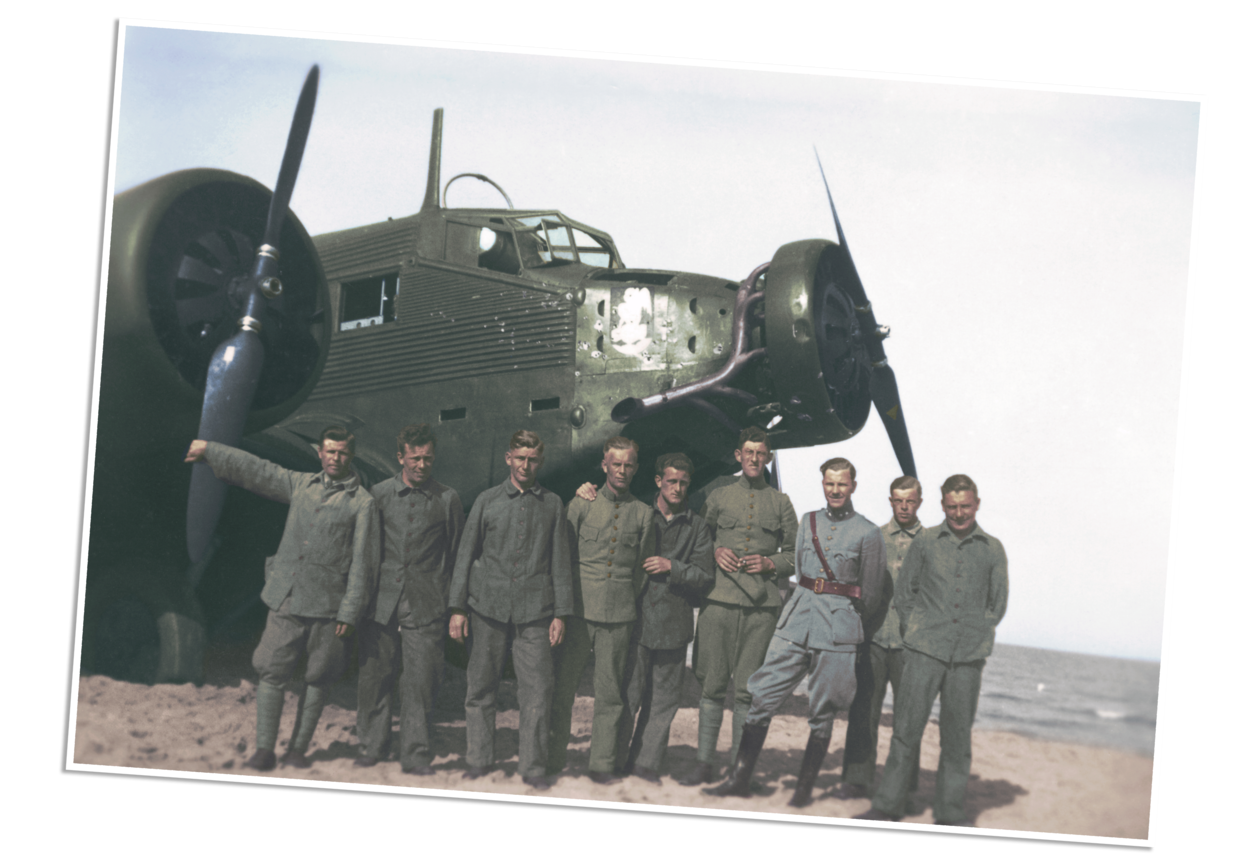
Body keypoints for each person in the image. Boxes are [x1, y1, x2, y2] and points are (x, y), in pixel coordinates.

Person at [184, 428, 379, 771]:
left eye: (342, 453)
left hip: (330, 608)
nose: (335, 459)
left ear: (350, 456)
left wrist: (349, 612)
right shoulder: (301, 484)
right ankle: (264, 750)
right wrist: (211, 450)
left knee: (319, 676)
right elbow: (259, 471)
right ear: (320, 453)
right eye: (330, 451)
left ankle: (298, 749)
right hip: (287, 596)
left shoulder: (362, 503)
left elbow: (364, 562)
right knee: (271, 669)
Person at [707, 457, 885, 807]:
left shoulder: (868, 532)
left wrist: (846, 622)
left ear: (853, 486)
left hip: (837, 632)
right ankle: (739, 778)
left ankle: (803, 789)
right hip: (797, 621)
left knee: (823, 710)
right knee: (762, 694)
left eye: (842, 484)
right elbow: (802, 571)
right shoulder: (809, 521)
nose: (835, 490)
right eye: (829, 483)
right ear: (823, 484)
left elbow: (873, 593)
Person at [857, 475, 1009, 827]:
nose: (959, 513)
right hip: (923, 652)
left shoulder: (992, 548)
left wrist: (974, 635)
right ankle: (888, 805)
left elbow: (997, 604)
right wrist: (916, 632)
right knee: (906, 732)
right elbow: (905, 592)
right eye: (952, 507)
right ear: (942, 506)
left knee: (957, 739)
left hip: (967, 659)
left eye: (966, 506)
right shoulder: (925, 541)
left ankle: (950, 812)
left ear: (977, 504)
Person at [575, 453, 716, 784]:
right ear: (658, 481)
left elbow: (705, 575)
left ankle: (645, 765)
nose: (677, 488)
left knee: (663, 701)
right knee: (627, 694)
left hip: (674, 623)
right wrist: (584, 491)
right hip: (635, 619)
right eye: (671, 481)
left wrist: (672, 567)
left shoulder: (696, 526)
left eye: (683, 483)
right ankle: (612, 760)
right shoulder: (638, 512)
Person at [448, 431, 573, 790]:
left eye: (532, 459)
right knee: (480, 687)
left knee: (538, 691)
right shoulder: (486, 501)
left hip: (535, 613)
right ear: (508, 458)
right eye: (520, 458)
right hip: (487, 608)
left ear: (540, 462)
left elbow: (560, 562)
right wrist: (457, 607)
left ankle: (533, 766)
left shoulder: (553, 504)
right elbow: (465, 556)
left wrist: (561, 613)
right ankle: (478, 759)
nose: (525, 465)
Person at [679, 426, 797, 786]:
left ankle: (738, 770)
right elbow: (699, 538)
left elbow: (796, 555)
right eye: (748, 452)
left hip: (761, 609)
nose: (754, 459)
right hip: (719, 602)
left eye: (760, 453)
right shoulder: (719, 496)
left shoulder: (781, 503)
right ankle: (703, 763)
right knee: (712, 686)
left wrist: (771, 563)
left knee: (748, 691)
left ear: (768, 458)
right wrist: (715, 551)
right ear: (738, 456)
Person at [355, 424, 464, 774]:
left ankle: (415, 752)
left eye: (427, 458)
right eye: (415, 458)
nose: (421, 465)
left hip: (427, 602)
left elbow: (457, 555)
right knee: (375, 675)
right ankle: (372, 745)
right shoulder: (379, 494)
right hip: (382, 602)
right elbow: (366, 550)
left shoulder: (447, 499)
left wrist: (455, 605)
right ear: (400, 457)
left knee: (421, 680)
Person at [548, 437, 655, 784]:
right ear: (604, 465)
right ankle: (552, 759)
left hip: (618, 617)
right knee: (563, 689)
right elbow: (563, 558)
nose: (622, 471)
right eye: (616, 464)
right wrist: (564, 609)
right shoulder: (581, 504)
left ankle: (602, 765)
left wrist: (621, 599)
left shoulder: (643, 513)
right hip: (579, 612)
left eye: (628, 465)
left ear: (635, 468)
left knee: (610, 695)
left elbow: (641, 570)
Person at [838, 476, 924, 804]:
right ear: (890, 501)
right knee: (864, 711)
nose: (904, 507)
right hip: (873, 638)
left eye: (910, 501)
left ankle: (904, 785)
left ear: (919, 502)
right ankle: (856, 780)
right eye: (898, 500)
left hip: (910, 646)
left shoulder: (929, 542)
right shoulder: (874, 537)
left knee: (908, 719)